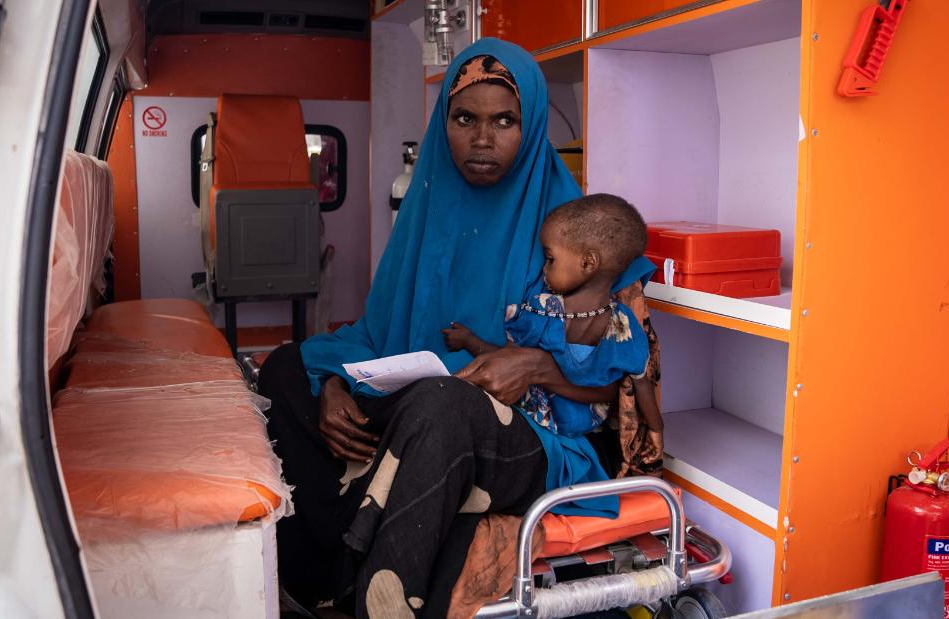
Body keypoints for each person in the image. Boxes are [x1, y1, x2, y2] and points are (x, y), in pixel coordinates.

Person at [258, 39, 661, 619]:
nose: (481, 138)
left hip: (532, 434)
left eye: (504, 121)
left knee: (443, 407)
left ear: (532, 126)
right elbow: (380, 333)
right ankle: (319, 565)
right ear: (443, 122)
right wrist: (333, 384)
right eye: (465, 118)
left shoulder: (578, 234)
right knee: (287, 368)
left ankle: (368, 594)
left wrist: (541, 366)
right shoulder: (428, 207)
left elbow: (632, 382)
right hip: (417, 400)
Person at [444, 194, 662, 519]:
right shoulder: (603, 321)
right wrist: (656, 430)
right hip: (560, 428)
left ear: (588, 263)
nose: (544, 269)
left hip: (549, 433)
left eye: (550, 259)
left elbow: (508, 361)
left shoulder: (560, 315)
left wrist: (469, 341)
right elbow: (639, 382)